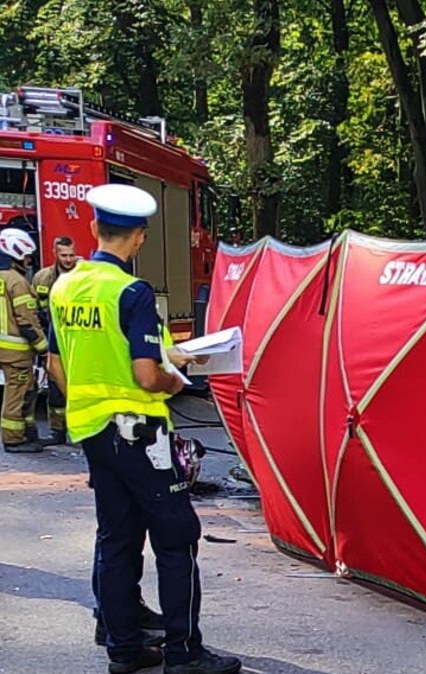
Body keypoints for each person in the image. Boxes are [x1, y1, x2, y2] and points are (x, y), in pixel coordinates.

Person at [46, 183, 241, 674]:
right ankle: (184, 653)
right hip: (140, 433)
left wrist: (92, 401)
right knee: (177, 535)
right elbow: (147, 374)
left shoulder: (63, 286)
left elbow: (55, 364)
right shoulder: (131, 293)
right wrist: (179, 379)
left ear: (93, 229)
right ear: (139, 239)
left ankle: (124, 648)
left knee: (117, 536)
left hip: (92, 429)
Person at [0, 227, 48, 453]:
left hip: (5, 348)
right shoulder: (17, 281)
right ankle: (13, 439)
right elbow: (27, 321)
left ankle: (27, 432)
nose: (29, 260)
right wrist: (44, 348)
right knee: (17, 390)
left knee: (27, 388)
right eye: (27, 256)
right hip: (16, 351)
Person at [33, 235, 78, 445]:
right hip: (54, 337)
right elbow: (34, 312)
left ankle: (80, 430)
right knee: (55, 387)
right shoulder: (42, 278)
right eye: (64, 255)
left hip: (79, 339)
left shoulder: (83, 275)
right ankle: (57, 431)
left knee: (80, 386)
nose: (68, 260)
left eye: (71, 255)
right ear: (55, 253)